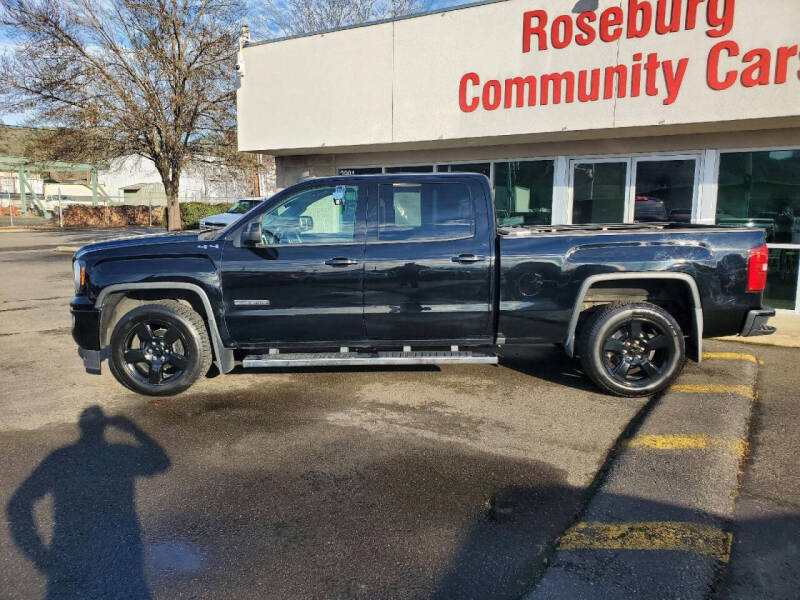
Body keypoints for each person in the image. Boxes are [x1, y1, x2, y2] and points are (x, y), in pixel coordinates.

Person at [7, 406, 170, 600]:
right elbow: (161, 462)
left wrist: (39, 555)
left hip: (71, 553)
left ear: (81, 427)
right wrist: (134, 430)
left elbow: (19, 503)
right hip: (121, 554)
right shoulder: (121, 453)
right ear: (104, 427)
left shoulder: (61, 458)